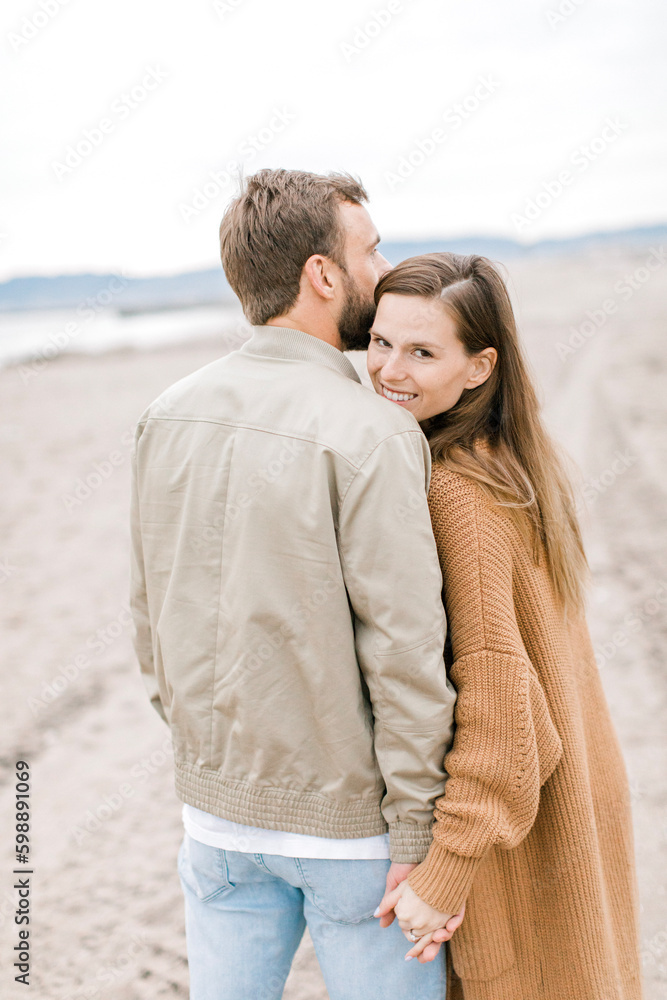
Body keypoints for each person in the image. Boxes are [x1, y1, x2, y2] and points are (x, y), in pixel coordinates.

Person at [129, 170, 461, 1000]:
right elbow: (405, 651)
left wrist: (201, 747)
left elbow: (148, 614)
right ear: (321, 274)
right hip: (350, 838)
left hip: (213, 822)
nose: (383, 269)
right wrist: (417, 831)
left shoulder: (167, 412)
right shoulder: (372, 432)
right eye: (370, 248)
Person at [371, 253, 643, 999]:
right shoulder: (510, 460)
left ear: (477, 366)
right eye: (380, 342)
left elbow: (501, 705)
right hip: (577, 795)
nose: (389, 370)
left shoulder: (453, 493)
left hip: (529, 833)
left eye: (422, 351)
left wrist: (446, 868)